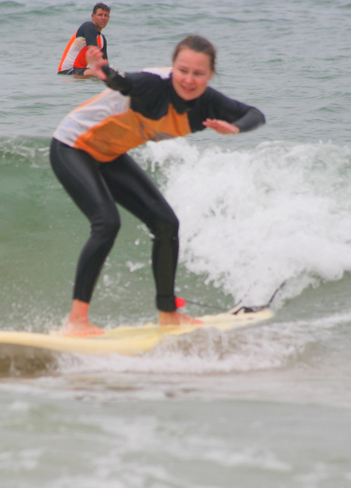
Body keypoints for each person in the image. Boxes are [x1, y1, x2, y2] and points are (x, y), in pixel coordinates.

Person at [50, 35, 266, 335]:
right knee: (106, 223)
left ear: (210, 74)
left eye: (198, 73)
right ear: (173, 67)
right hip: (72, 146)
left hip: (108, 154)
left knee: (165, 223)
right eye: (182, 70)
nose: (189, 80)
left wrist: (235, 128)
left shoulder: (207, 103)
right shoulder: (154, 85)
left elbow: (254, 114)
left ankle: (168, 314)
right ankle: (76, 321)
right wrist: (103, 70)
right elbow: (122, 82)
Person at [57, 3, 110, 76]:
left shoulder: (102, 39)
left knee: (105, 75)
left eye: (106, 15)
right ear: (93, 16)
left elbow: (105, 63)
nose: (103, 18)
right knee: (102, 73)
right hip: (67, 71)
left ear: (108, 18)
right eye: (100, 15)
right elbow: (93, 51)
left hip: (80, 71)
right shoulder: (89, 26)